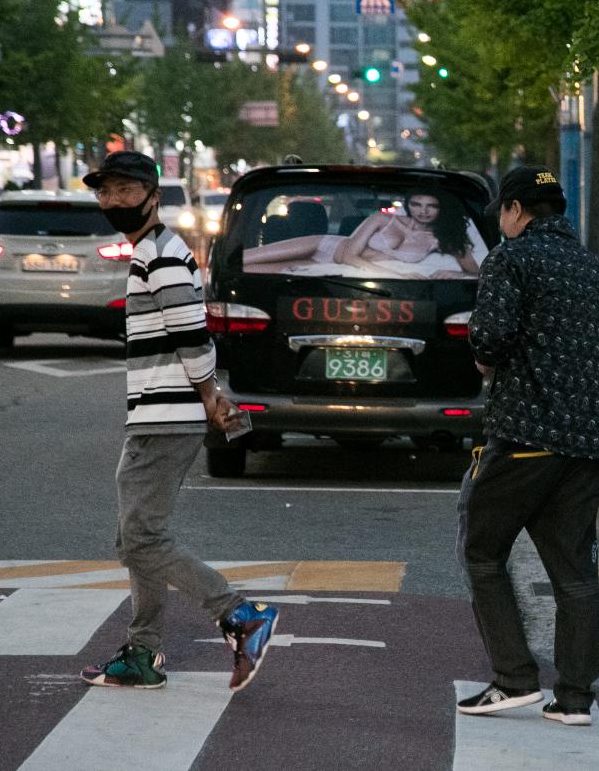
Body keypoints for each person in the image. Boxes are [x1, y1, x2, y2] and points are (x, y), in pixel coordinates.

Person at [79, 151, 279, 692]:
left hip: (165, 416)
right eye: (104, 192)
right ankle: (142, 655)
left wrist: (210, 393)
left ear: (152, 193)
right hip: (154, 414)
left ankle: (239, 614)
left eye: (123, 190)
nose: (112, 201)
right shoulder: (151, 251)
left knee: (141, 539)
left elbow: (192, 336)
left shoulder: (161, 255)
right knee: (138, 537)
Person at [456, 166, 599, 727]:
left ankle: (513, 678)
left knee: (483, 551)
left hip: (528, 435)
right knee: (574, 573)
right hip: (589, 445)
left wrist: (486, 354)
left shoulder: (511, 259)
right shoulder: (597, 272)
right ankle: (575, 697)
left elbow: (490, 338)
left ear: (513, 209)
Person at [242, 192, 479, 279]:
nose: (423, 211)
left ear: (441, 210)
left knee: (256, 271)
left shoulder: (442, 239)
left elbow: (477, 272)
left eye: (431, 206)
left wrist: (457, 274)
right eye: (416, 204)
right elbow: (350, 256)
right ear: (409, 204)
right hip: (328, 247)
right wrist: (397, 275)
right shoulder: (383, 219)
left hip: (327, 266)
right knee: (244, 259)